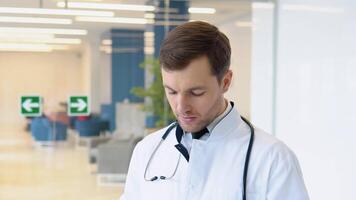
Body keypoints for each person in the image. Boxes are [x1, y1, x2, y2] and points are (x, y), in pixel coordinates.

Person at [120, 21, 309, 200]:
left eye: (196, 92)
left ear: (225, 82)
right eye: (171, 91)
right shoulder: (147, 150)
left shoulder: (272, 159)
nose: (181, 106)